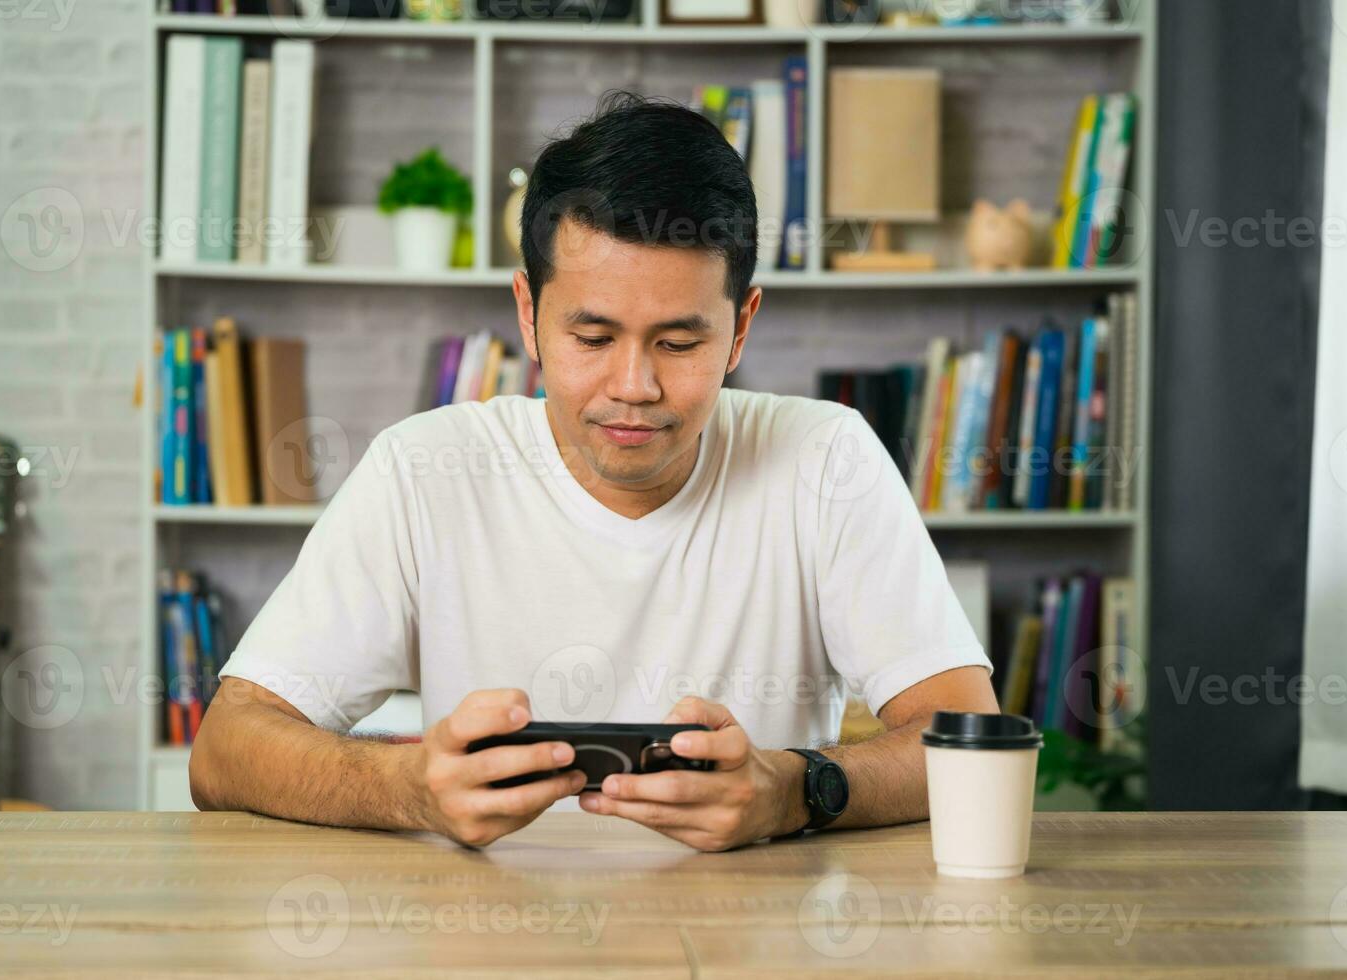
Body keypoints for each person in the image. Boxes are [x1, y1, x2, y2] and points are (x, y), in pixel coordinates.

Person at [190, 92, 997, 852]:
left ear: (742, 329)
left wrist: (798, 790)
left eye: (680, 343)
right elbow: (225, 749)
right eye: (593, 337)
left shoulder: (827, 460)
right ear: (528, 316)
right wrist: (408, 785)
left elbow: (967, 739)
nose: (634, 387)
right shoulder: (422, 471)